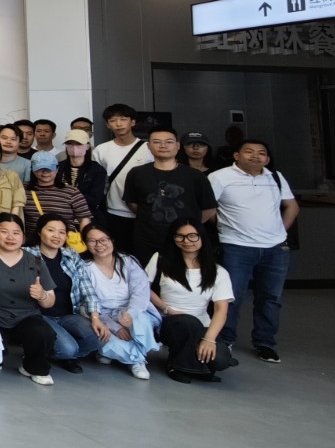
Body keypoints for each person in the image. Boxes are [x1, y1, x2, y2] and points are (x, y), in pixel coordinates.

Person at [209, 139, 299, 362]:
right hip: (236, 246)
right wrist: (224, 227)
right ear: (236, 155)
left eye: (261, 153)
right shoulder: (219, 177)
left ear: (267, 159)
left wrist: (281, 232)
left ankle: (265, 343)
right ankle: (225, 340)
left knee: (270, 297)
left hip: (275, 249)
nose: (255, 156)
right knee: (231, 296)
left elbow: (292, 206)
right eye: (248, 151)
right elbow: (208, 208)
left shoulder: (275, 177)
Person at [149, 218, 237, 383]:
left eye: (192, 236)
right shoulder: (160, 259)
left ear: (202, 237)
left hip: (201, 325)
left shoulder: (218, 271)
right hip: (167, 321)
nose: (186, 241)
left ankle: (191, 364)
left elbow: (221, 310)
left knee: (220, 360)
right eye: (180, 236)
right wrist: (167, 309)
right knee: (187, 322)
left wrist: (209, 339)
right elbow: (142, 289)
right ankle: (177, 366)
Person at [0, 213, 58, 385]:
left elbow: (50, 301)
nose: (10, 237)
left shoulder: (35, 262)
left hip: (26, 317)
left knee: (43, 332)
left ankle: (33, 367)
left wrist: (42, 295)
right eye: (4, 231)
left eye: (16, 233)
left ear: (23, 236)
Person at [122, 126, 217, 266]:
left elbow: (209, 208)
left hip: (184, 240)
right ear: (148, 146)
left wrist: (190, 225)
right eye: (157, 142)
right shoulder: (137, 173)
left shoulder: (196, 176)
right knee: (148, 276)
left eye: (169, 142)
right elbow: (132, 203)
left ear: (178, 146)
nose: (163, 146)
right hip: (146, 239)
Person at [80, 219, 159, 379]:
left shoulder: (128, 262)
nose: (99, 245)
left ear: (112, 240)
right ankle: (137, 360)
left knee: (140, 320)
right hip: (102, 316)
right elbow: (85, 302)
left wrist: (130, 314)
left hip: (133, 311)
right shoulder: (84, 267)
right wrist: (113, 327)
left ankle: (129, 357)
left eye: (103, 240)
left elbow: (141, 293)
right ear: (86, 244)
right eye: (92, 241)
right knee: (105, 337)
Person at [26, 215, 101, 373]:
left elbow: (87, 287)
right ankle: (61, 353)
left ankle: (61, 353)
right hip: (40, 315)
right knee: (68, 348)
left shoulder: (71, 255)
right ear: (39, 232)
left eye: (62, 232)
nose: (57, 236)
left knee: (98, 338)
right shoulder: (26, 253)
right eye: (51, 230)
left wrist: (95, 317)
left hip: (68, 314)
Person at [91, 103, 152, 256]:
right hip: (114, 212)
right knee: (118, 255)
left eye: (123, 119)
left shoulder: (149, 148)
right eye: (113, 120)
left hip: (144, 213)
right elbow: (98, 183)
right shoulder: (101, 150)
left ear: (133, 122)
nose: (118, 124)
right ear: (107, 125)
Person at [24, 151, 92, 241]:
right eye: (40, 168)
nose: (45, 172)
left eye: (49, 169)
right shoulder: (23, 190)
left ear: (57, 169)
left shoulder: (71, 192)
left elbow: (84, 220)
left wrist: (86, 240)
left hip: (64, 243)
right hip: (33, 243)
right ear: (32, 169)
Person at [57, 129, 108, 220]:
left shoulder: (96, 170)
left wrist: (68, 198)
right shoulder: (58, 167)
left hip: (87, 216)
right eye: (70, 144)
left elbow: (95, 199)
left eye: (79, 144)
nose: (74, 147)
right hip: (61, 215)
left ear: (87, 146)